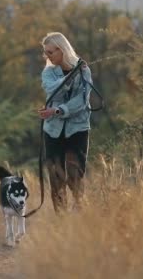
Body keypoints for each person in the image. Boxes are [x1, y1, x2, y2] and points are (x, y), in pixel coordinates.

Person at [38, 32, 93, 213]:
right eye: (46, 53)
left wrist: (58, 110)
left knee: (75, 174)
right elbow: (52, 88)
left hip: (77, 129)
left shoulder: (83, 70)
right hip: (52, 130)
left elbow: (82, 101)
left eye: (51, 52)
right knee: (55, 177)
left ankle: (80, 213)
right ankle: (61, 220)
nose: (47, 56)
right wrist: (67, 79)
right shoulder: (48, 72)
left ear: (61, 50)